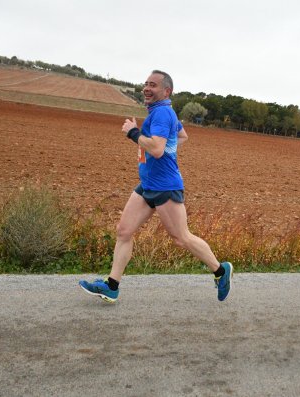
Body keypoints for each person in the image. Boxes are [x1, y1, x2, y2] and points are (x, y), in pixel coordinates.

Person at [79, 70, 232, 303]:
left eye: (153, 85)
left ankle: (221, 271)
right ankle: (112, 285)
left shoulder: (161, 113)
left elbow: (158, 149)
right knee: (124, 231)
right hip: (148, 184)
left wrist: (133, 132)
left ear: (166, 91)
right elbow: (182, 136)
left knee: (181, 237)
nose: (147, 89)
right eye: (145, 84)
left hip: (165, 187)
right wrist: (166, 143)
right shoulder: (163, 113)